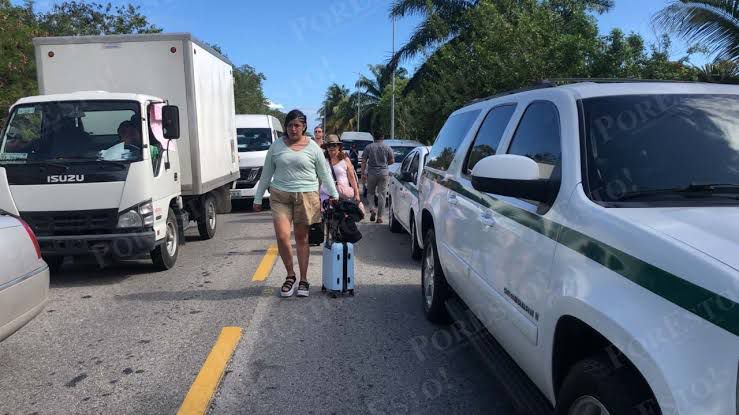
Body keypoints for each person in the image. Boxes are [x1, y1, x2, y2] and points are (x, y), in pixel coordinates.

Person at [254, 109, 339, 298]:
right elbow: (266, 173)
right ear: (285, 127)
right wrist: (258, 197)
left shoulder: (313, 147)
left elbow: (324, 173)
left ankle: (304, 279)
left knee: (302, 238)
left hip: (306, 196)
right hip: (280, 196)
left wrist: (333, 194)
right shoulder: (276, 147)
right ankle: (290, 275)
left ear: (304, 127)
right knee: (283, 237)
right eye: (290, 125)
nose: (293, 129)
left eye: (297, 125)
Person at [361, 131, 394, 223]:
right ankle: (380, 217)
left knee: (370, 193)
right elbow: (392, 160)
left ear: (374, 138)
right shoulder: (387, 147)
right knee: (382, 195)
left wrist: (363, 173)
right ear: (383, 137)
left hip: (371, 173)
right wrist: (385, 163)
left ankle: (372, 209)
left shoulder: (368, 147)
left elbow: (363, 161)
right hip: (384, 173)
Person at [322, 134, 360, 203]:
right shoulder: (323, 160)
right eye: (329, 145)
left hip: (343, 196)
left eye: (334, 145)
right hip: (326, 196)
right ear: (326, 147)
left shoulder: (345, 159)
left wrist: (357, 194)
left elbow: (352, 178)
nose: (331, 147)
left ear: (339, 146)